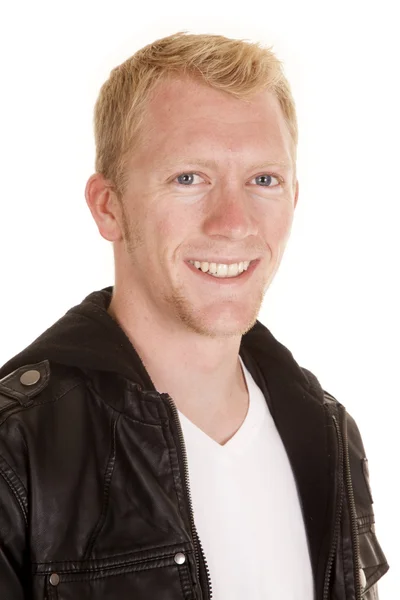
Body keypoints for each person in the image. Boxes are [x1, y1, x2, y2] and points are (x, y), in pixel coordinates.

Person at [0, 31, 389, 600]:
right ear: (108, 207)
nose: (234, 223)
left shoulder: (327, 430)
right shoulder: (17, 450)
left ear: (295, 198)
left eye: (264, 180)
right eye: (189, 178)